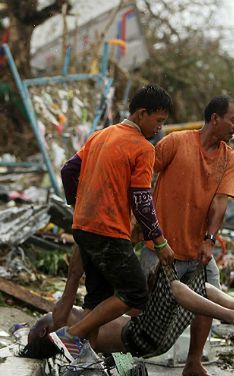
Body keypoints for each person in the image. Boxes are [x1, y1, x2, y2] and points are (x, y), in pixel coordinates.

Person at [51, 84, 176, 361]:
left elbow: (69, 170)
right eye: (158, 121)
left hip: (83, 227)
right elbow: (142, 200)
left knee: (96, 301)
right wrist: (160, 242)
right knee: (135, 293)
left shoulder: (101, 135)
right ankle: (71, 335)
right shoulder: (143, 148)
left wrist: (79, 204)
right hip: (109, 231)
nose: (159, 129)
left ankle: (85, 365)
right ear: (142, 114)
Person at [136, 95, 234, 376]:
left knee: (206, 300)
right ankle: (127, 358)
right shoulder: (176, 142)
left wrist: (209, 239)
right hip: (160, 245)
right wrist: (142, 223)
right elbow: (143, 177)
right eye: (233, 120)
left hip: (198, 248)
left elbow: (221, 202)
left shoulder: (230, 158)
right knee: (139, 304)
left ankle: (194, 362)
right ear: (215, 118)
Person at [23, 262, 234, 360]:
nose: (41, 316)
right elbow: (73, 275)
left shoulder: (80, 321)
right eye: (37, 323)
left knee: (198, 287)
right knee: (176, 287)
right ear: (46, 331)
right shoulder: (63, 324)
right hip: (141, 337)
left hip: (145, 333)